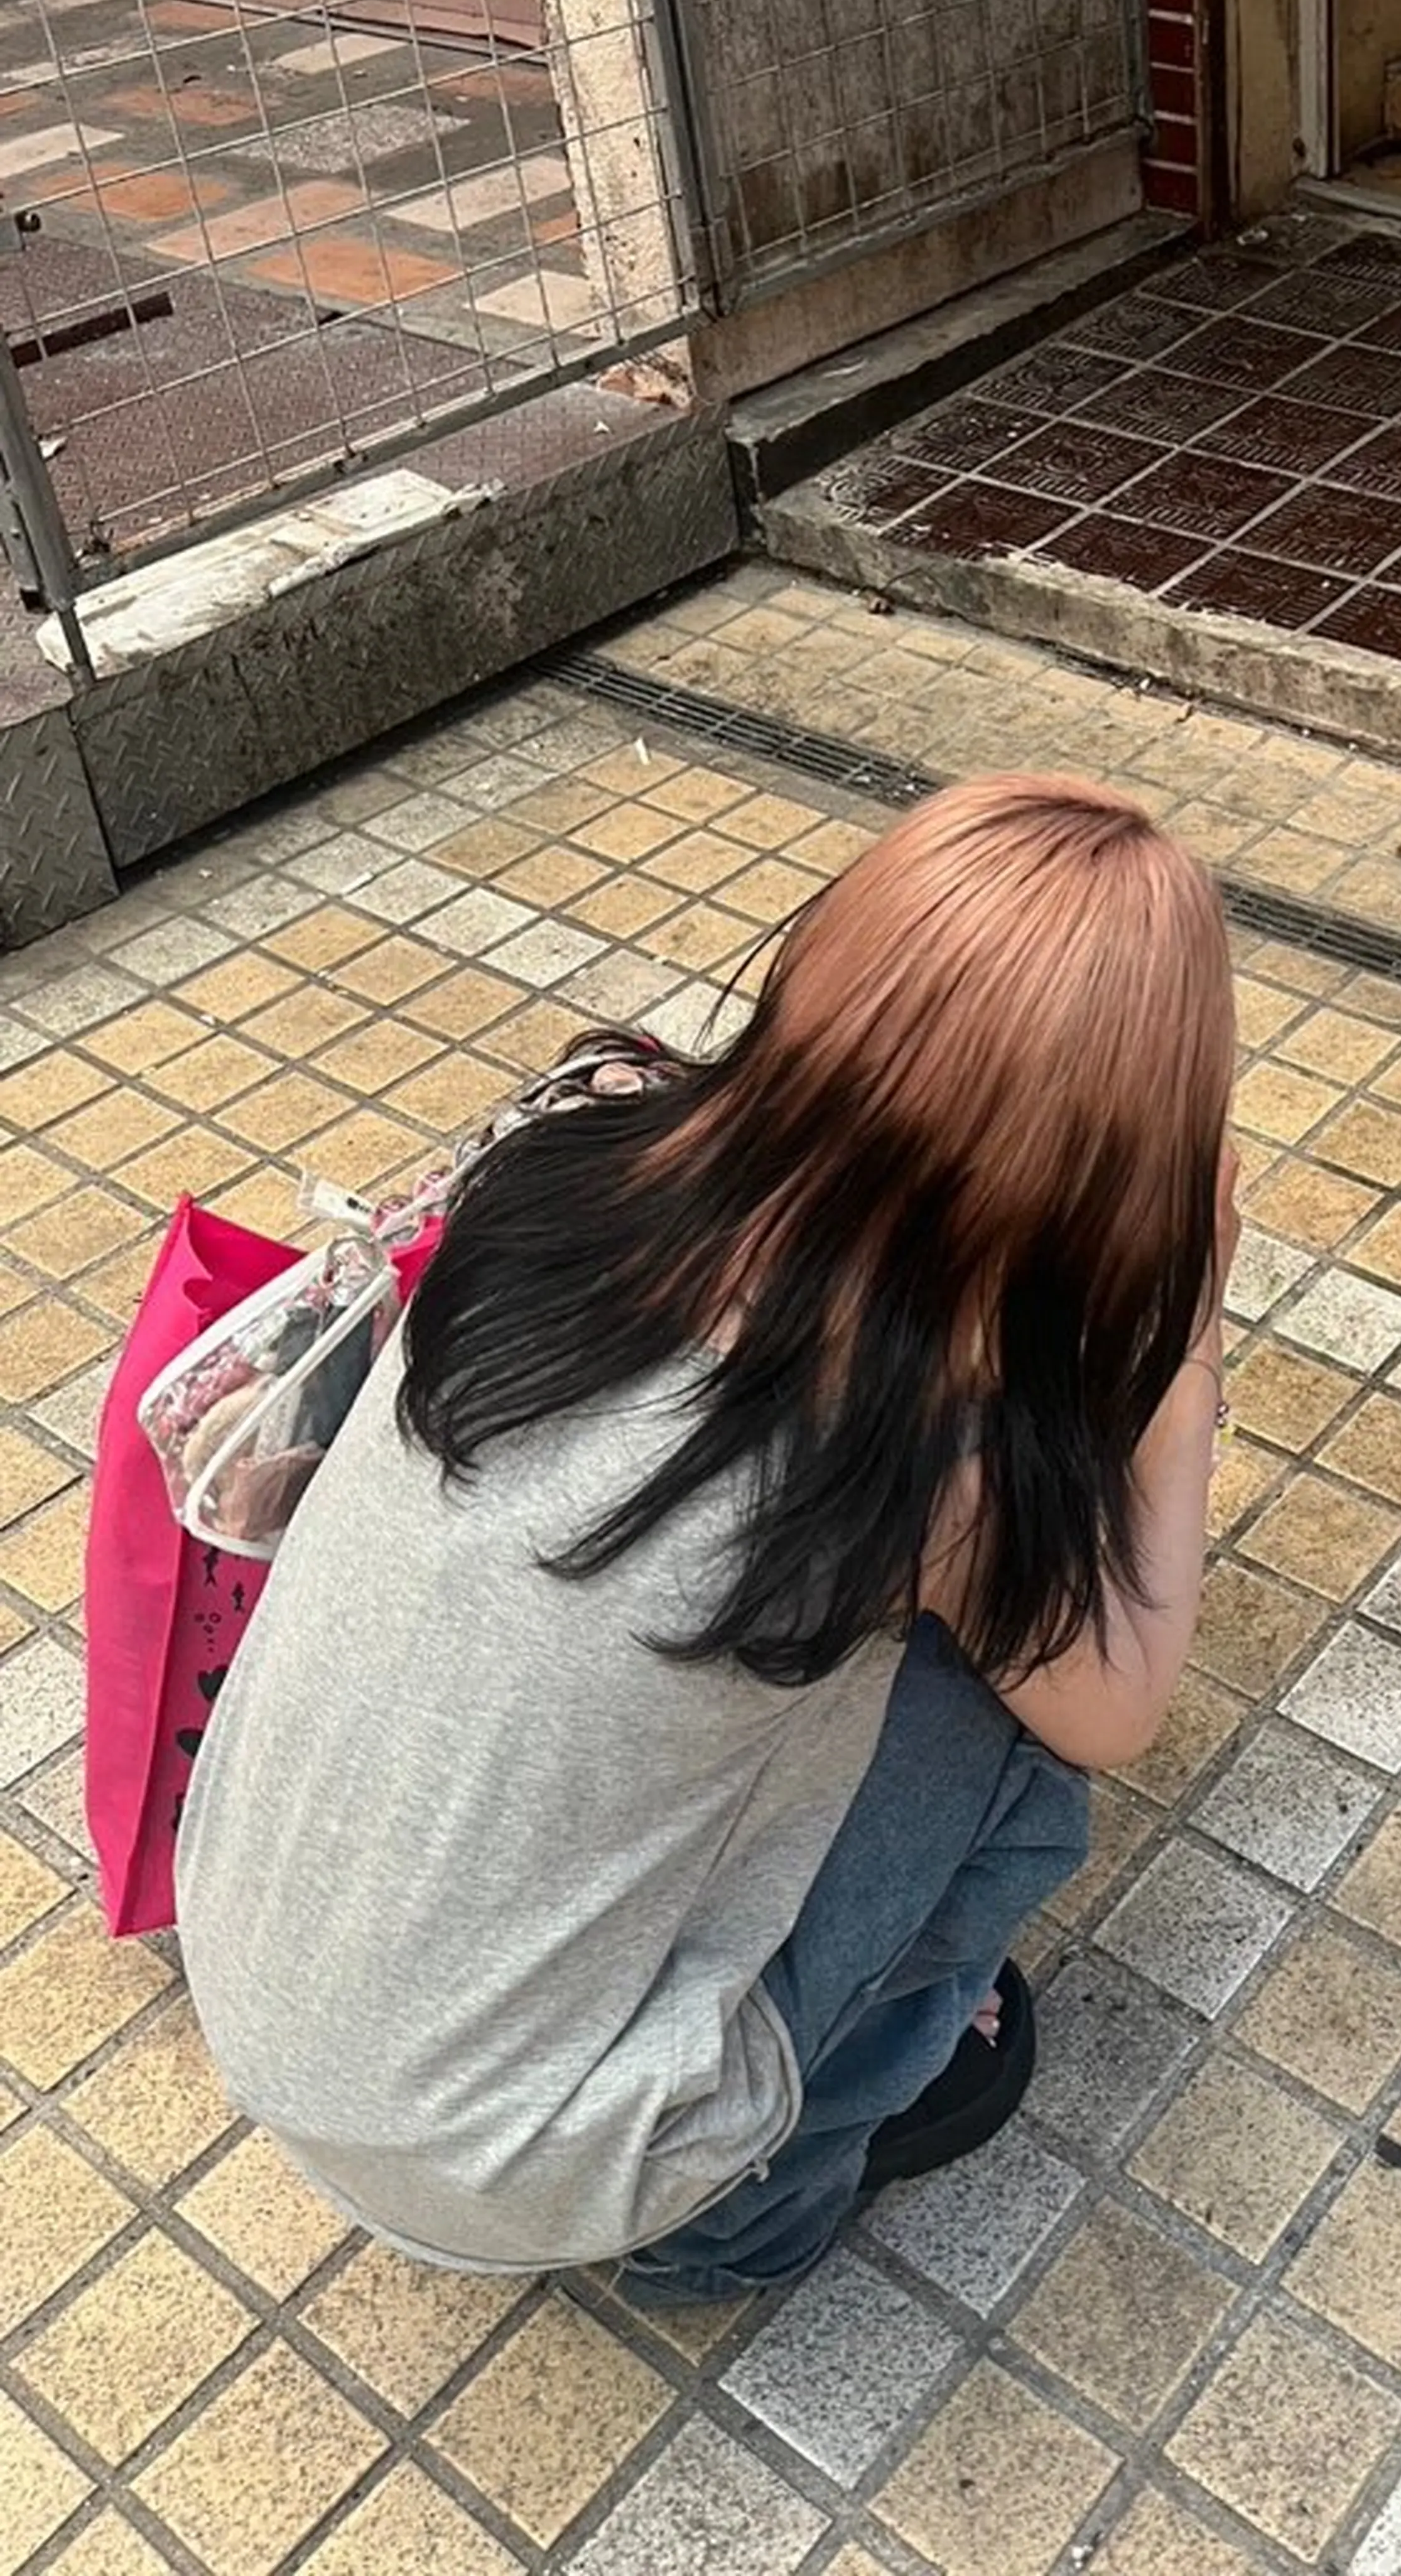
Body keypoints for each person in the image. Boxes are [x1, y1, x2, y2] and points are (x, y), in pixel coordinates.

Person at [176, 774, 1239, 2295]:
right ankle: (742, 2210)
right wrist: (1186, 1334)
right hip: (514, 2160)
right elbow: (1125, 1697)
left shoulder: (564, 1157)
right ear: (1108, 1172)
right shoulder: (903, 1453)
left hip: (270, 1971)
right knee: (1014, 1742)